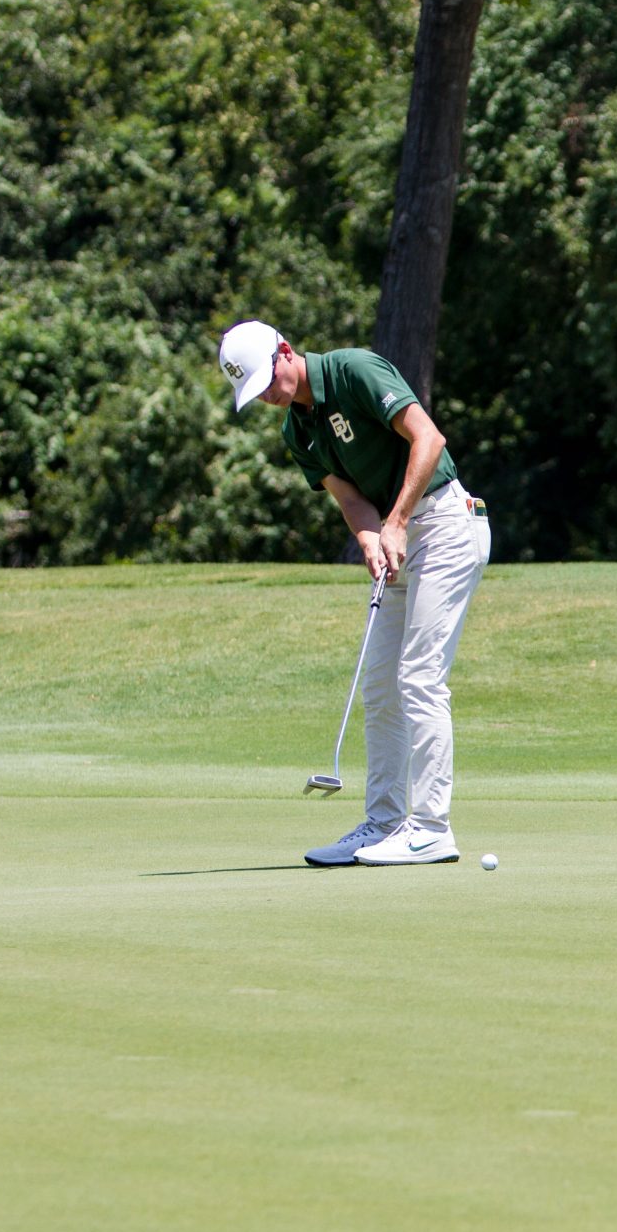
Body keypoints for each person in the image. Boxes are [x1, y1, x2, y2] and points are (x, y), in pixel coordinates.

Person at [217, 320, 492, 867]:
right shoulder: (297, 434)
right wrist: (371, 538)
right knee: (380, 687)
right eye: (258, 393)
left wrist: (396, 521)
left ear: (286, 352)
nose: (270, 396)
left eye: (269, 381)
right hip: (395, 541)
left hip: (444, 523)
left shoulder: (353, 370)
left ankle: (432, 827)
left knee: (418, 675)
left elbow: (429, 440)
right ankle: (384, 824)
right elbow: (348, 498)